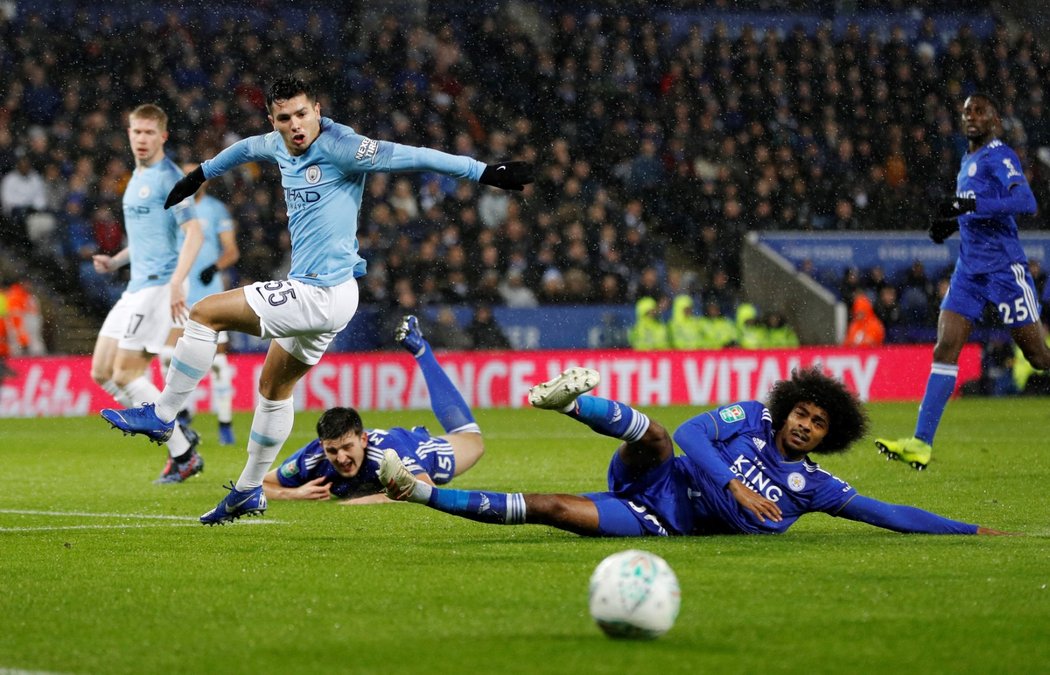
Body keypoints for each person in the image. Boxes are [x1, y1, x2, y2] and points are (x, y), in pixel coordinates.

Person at [101, 77, 532, 524]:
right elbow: (243, 150)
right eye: (284, 118)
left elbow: (415, 156)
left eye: (303, 114)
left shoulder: (345, 146)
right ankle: (249, 490)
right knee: (272, 387)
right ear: (274, 120)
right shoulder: (274, 142)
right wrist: (197, 176)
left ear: (318, 110)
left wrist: (483, 172)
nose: (295, 125)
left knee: (206, 313)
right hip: (324, 296)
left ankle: (164, 414)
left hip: (322, 292)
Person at [378, 366, 1007, 537]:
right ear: (787, 407)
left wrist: (967, 528)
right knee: (652, 435)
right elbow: (689, 435)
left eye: (817, 423)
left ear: (828, 437)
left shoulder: (814, 487)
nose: (804, 426)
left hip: (659, 520)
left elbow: (885, 511)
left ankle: (422, 492)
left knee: (554, 508)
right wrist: (731, 486)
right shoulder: (753, 418)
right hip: (655, 474)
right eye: (801, 413)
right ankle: (569, 404)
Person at [876, 93, 1049, 470]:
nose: (971, 116)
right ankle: (920, 443)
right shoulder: (968, 159)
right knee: (945, 348)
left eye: (980, 111)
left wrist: (968, 207)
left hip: (1004, 270)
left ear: (994, 120)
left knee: (1038, 358)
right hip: (969, 272)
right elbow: (972, 209)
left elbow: (1026, 203)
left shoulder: (1000, 155)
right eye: (967, 111)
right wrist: (949, 223)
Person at [92, 104, 204, 484]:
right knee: (102, 372)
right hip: (137, 283)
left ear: (163, 136)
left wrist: (176, 283)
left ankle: (180, 443)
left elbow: (195, 233)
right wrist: (116, 261)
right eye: (135, 132)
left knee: (126, 372)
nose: (141, 139)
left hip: (159, 286)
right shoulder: (138, 175)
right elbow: (146, 239)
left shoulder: (170, 178)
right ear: (129, 133)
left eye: (148, 133)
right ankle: (179, 440)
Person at [262, 315, 483, 502]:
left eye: (347, 447)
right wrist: (292, 493)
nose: (341, 457)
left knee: (471, 438)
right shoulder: (312, 457)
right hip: (401, 448)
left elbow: (425, 489)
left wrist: (364, 501)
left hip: (425, 451)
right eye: (332, 450)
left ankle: (421, 349)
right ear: (322, 446)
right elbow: (261, 483)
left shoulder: (387, 452)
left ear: (364, 440)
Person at [160, 163, 240, 446]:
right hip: (180, 295)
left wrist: (214, 267)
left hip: (210, 295)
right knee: (167, 356)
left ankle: (225, 423)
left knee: (217, 363)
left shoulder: (217, 210)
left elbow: (232, 250)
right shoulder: (174, 210)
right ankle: (183, 412)